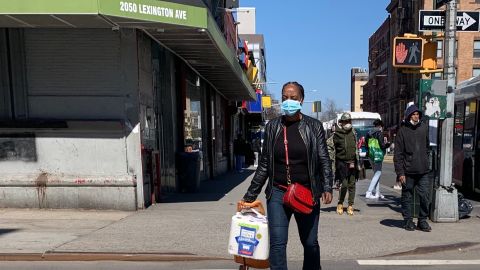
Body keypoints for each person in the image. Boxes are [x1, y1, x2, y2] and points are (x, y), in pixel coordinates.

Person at [238, 81, 333, 270]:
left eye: (293, 98)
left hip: (307, 193)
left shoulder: (314, 126)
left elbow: (324, 158)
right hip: (278, 193)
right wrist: (249, 196)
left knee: (310, 243)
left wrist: (328, 186)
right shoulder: (273, 126)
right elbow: (264, 164)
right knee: (278, 244)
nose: (288, 101)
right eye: (284, 98)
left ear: (302, 100)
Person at [394, 104, 432, 232]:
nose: (416, 116)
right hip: (408, 171)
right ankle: (408, 220)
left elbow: (427, 147)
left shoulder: (423, 128)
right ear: (409, 115)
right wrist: (400, 173)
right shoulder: (402, 131)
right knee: (407, 197)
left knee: (425, 196)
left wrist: (426, 160)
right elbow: (398, 154)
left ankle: (422, 221)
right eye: (413, 114)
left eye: (417, 114)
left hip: (423, 170)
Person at [333, 112, 360, 216]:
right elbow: (330, 147)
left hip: (352, 163)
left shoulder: (353, 132)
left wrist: (358, 162)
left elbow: (356, 147)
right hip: (342, 163)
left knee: (352, 185)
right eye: (345, 121)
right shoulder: (337, 134)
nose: (348, 123)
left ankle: (350, 205)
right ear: (342, 122)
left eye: (349, 121)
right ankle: (340, 203)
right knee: (344, 185)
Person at [365, 119, 387, 199]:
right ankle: (369, 191)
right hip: (377, 155)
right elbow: (382, 146)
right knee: (378, 173)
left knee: (375, 174)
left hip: (371, 155)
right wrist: (389, 145)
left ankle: (377, 193)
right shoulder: (379, 133)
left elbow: (366, 144)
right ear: (380, 126)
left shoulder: (368, 133)